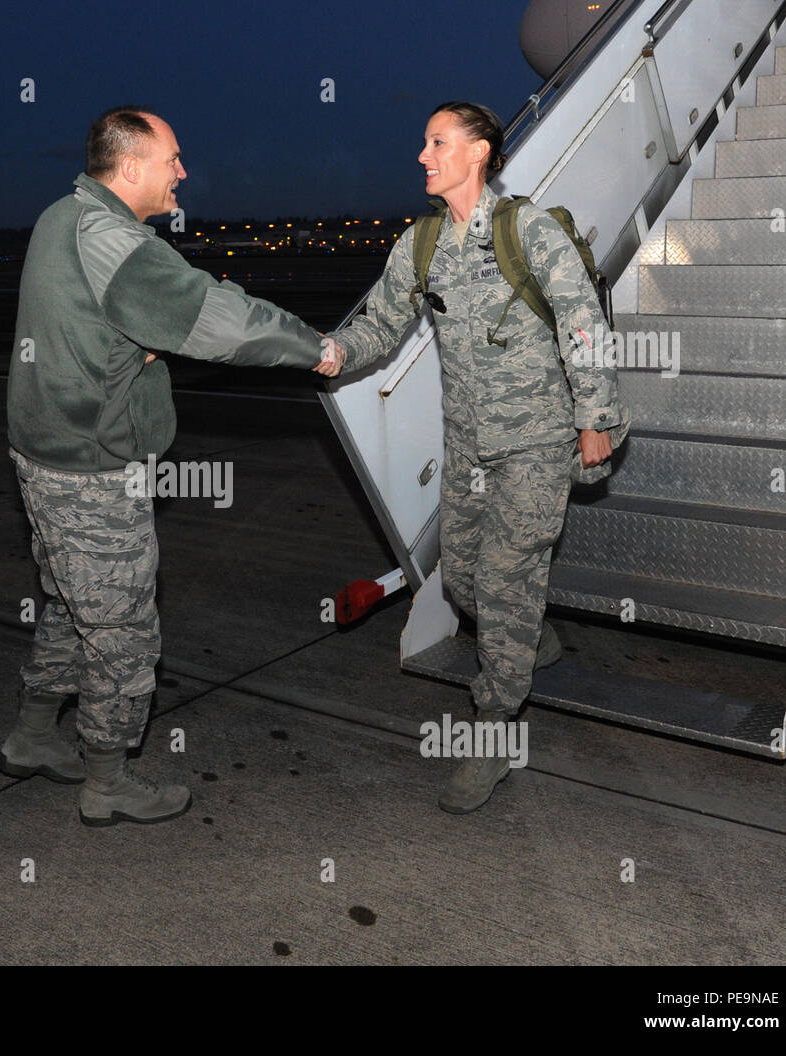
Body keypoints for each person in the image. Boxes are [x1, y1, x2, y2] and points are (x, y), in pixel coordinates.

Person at [2, 106, 342, 826]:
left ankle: (32, 737)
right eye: (173, 159)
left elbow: (84, 320)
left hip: (44, 453)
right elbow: (214, 317)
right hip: (91, 467)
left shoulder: (59, 216)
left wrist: (137, 345)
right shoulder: (115, 239)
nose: (182, 172)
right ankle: (108, 781)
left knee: (69, 604)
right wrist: (314, 346)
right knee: (122, 629)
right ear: (131, 168)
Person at [326, 102, 624, 813]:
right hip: (468, 445)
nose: (423, 155)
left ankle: (493, 733)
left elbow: (583, 322)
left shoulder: (529, 231)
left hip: (537, 442)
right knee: (460, 579)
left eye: (437, 142)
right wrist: (336, 351)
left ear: (480, 151)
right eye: (425, 142)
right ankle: (527, 634)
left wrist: (596, 418)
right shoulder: (421, 244)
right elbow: (383, 323)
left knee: (504, 577)